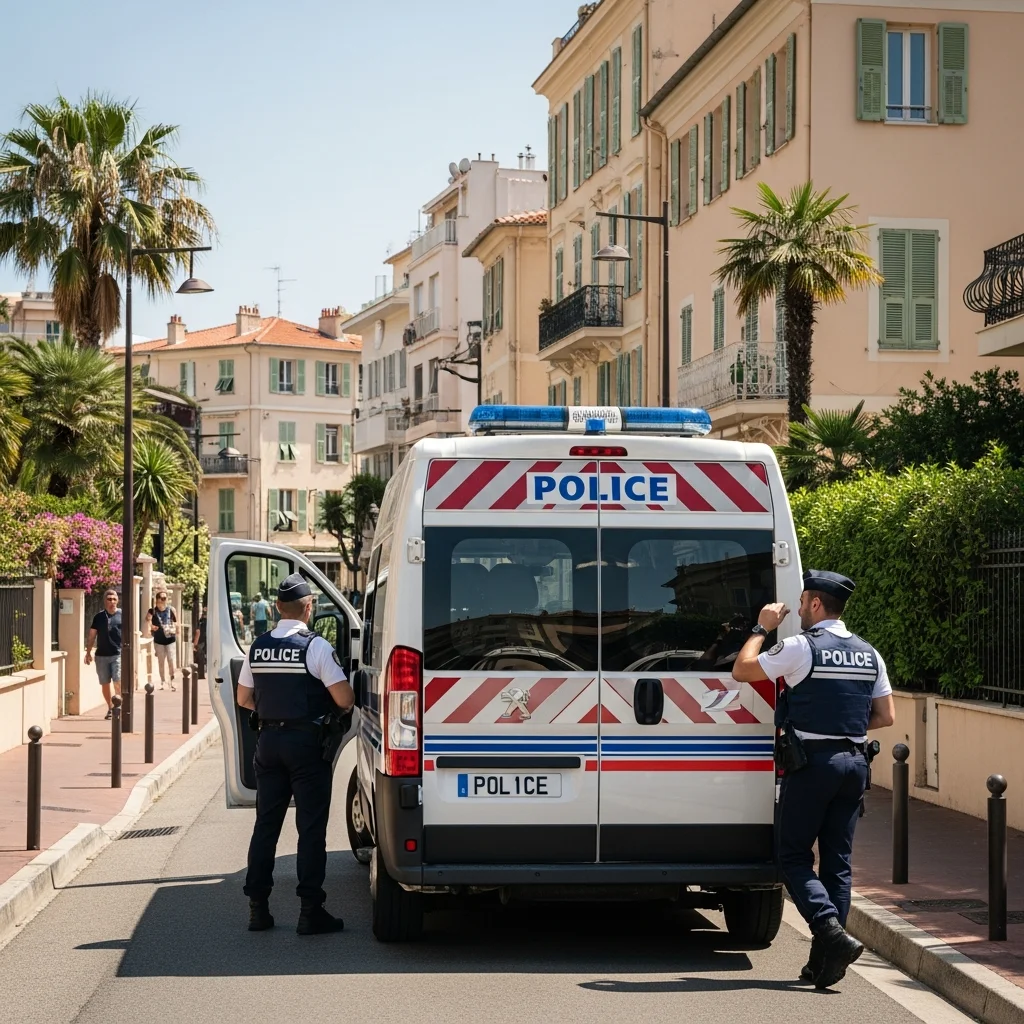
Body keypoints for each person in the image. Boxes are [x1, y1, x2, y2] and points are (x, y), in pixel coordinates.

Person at [731, 570, 895, 990]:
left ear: (817, 605)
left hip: (813, 766)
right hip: (855, 764)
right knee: (838, 865)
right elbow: (885, 716)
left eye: (803, 602)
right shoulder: (868, 652)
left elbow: (743, 670)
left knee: (793, 857)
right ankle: (825, 964)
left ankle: (829, 931)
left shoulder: (802, 647)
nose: (799, 609)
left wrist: (761, 627)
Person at [236, 573, 354, 935]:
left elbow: (242, 698)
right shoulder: (314, 647)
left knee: (266, 827)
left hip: (268, 744)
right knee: (310, 829)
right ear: (308, 608)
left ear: (276, 608)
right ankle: (309, 911)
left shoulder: (258, 646)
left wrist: (273, 711)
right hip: (306, 746)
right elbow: (344, 699)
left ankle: (258, 909)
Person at [85, 589, 122, 721]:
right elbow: (91, 636)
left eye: (114, 599)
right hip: (101, 656)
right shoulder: (99, 617)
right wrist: (88, 652)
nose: (112, 601)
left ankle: (119, 706)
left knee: (117, 680)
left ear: (117, 600)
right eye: (109, 599)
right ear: (105, 601)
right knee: (105, 683)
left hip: (118, 654)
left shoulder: (122, 615)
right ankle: (111, 707)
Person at [146, 590, 178, 691]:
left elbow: (176, 622)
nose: (164, 600)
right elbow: (147, 621)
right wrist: (151, 627)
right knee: (161, 662)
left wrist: (175, 630)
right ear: (157, 600)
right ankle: (163, 681)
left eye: (165, 598)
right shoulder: (152, 611)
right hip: (159, 640)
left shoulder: (171, 609)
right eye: (162, 598)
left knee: (171, 660)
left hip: (170, 639)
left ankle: (172, 681)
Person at [194, 604, 208, 679]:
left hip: (201, 642)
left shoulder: (201, 621)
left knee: (201, 659)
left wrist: (195, 644)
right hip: (209, 641)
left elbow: (198, 632)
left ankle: (201, 674)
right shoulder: (212, 621)